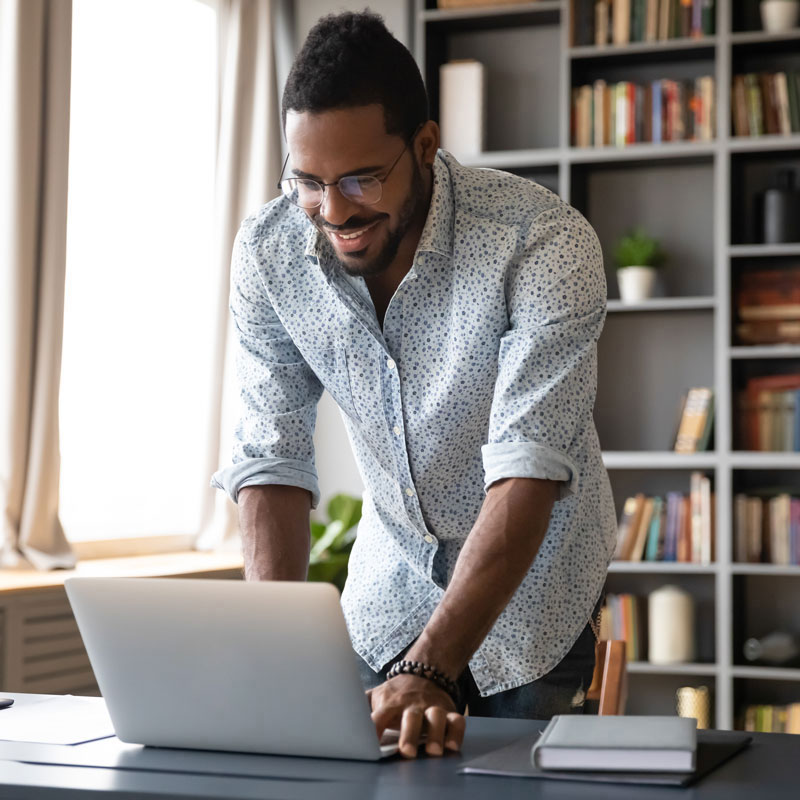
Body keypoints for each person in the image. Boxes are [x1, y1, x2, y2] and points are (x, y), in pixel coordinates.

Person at [212, 10, 617, 760]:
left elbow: (527, 469)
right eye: (308, 181)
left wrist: (431, 666)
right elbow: (271, 457)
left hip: (535, 606)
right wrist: (274, 657)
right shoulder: (270, 255)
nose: (333, 212)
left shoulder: (542, 243)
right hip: (386, 596)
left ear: (425, 146)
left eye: (361, 178)